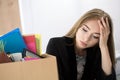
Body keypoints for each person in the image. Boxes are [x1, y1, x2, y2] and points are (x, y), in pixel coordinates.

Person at [46, 8, 116, 80]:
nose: (86, 39)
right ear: (78, 25)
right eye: (84, 30)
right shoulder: (56, 45)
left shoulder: (98, 52)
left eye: (95, 36)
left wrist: (104, 46)